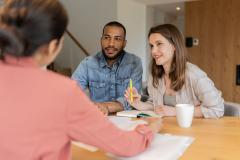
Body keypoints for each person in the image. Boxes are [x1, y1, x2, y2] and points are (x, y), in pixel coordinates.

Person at [0, 0, 162, 159]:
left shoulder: (134, 61)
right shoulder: (63, 90)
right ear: (53, 46)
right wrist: (151, 128)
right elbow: (126, 145)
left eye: (117, 39)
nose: (111, 43)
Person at [125, 24, 224, 118]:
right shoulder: (155, 75)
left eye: (159, 44)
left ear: (174, 46)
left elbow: (217, 109)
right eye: (152, 46)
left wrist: (175, 111)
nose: (153, 51)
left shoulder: (194, 74)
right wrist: (137, 103)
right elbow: (156, 106)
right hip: (167, 130)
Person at [71, 21, 143, 115]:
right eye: (106, 38)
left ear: (124, 43)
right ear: (101, 40)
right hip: (97, 118)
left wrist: (106, 106)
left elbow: (133, 100)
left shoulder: (134, 63)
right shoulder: (87, 64)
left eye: (117, 39)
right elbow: (72, 93)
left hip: (126, 120)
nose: (111, 44)